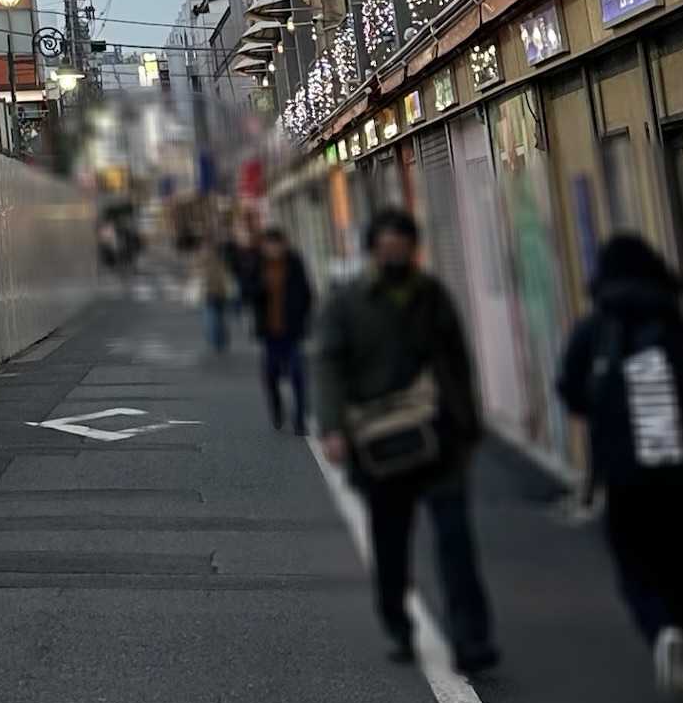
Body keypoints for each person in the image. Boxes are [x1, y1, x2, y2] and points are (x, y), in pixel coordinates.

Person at [315, 207, 500, 675]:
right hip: (380, 444)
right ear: (373, 251)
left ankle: (471, 640)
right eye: (387, 249)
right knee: (391, 542)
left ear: (413, 249)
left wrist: (469, 424)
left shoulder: (432, 296)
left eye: (403, 249)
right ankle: (398, 625)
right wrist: (333, 427)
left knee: (456, 543)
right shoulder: (348, 303)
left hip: (438, 437)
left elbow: (458, 363)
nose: (395, 257)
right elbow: (329, 365)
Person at [557, 234, 683, 703]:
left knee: (636, 562)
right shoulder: (677, 322)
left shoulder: (595, 326)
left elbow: (570, 389)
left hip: (625, 472)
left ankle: (660, 628)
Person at [251, 229, 314, 431]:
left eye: (278, 245)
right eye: (270, 245)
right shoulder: (258, 265)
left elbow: (307, 292)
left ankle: (300, 418)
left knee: (297, 373)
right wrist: (261, 287)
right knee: (271, 374)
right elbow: (247, 292)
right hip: (270, 331)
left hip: (292, 329)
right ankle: (277, 405)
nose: (274, 250)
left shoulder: (294, 264)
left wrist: (302, 316)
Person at [196, 235, 236, 354]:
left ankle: (218, 341)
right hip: (210, 294)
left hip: (218, 293)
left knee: (217, 319)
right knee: (214, 319)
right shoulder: (202, 261)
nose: (207, 250)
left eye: (209, 248)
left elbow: (226, 276)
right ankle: (217, 341)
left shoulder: (219, 260)